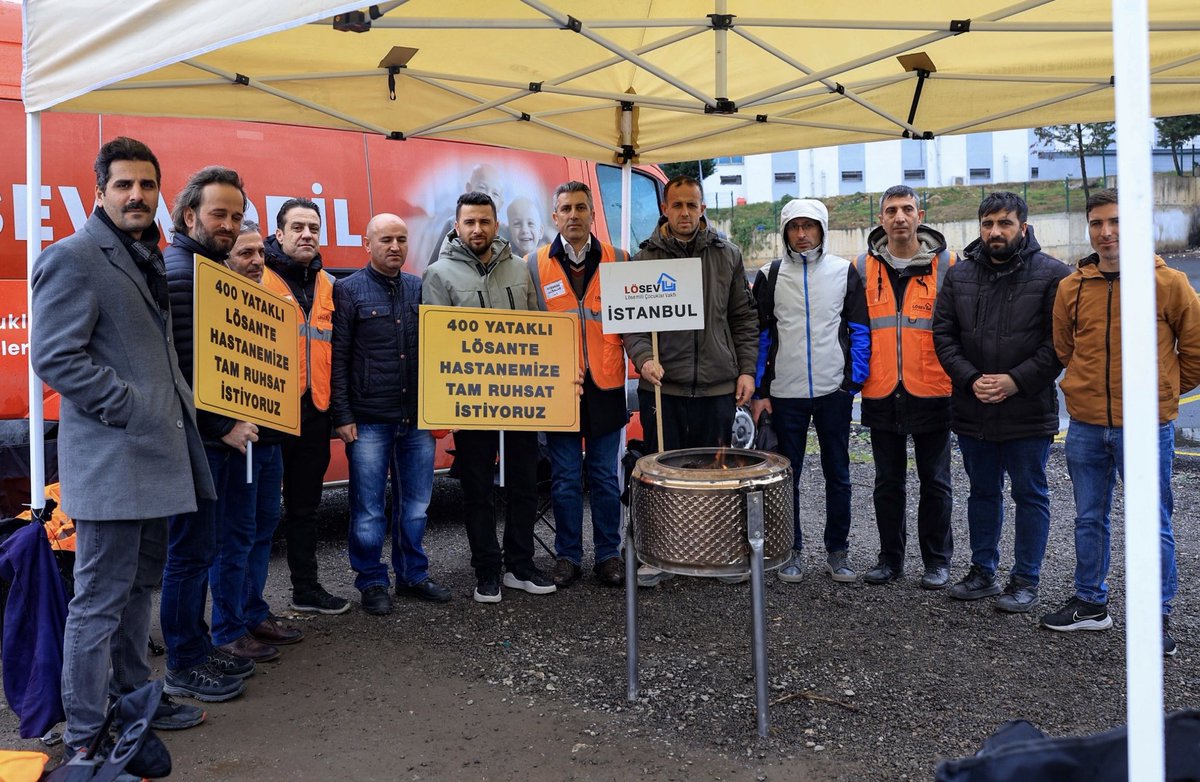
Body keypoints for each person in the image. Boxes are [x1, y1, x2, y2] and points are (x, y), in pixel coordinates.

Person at [31, 137, 216, 753]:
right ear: (99, 193)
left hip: (155, 458)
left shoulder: (144, 255)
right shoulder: (75, 256)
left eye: (146, 185)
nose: (136, 195)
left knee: (139, 591)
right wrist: (128, 406)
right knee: (98, 602)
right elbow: (55, 356)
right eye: (123, 185)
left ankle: (135, 699)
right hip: (115, 460)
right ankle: (86, 732)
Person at [1040, 188, 1200, 656]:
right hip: (1087, 425)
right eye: (1096, 223)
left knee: (1153, 523)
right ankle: (1091, 603)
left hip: (1146, 427)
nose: (1106, 232)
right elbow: (1065, 347)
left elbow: (1193, 352)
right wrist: (1086, 388)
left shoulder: (1167, 283)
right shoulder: (1071, 287)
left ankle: (1156, 616)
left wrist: (1163, 393)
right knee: (1089, 519)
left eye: (1115, 221)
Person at [933, 192, 1069, 613]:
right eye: (988, 223)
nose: (995, 231)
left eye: (1005, 223)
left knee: (1030, 494)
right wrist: (972, 380)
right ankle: (983, 572)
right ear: (979, 227)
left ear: (1023, 228)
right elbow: (943, 335)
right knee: (982, 493)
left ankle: (1026, 579)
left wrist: (1014, 381)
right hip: (974, 410)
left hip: (1027, 409)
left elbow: (1058, 345)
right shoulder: (959, 276)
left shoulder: (1053, 275)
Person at [622, 175, 759, 587]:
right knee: (661, 473)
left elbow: (743, 318)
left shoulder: (728, 255)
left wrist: (747, 369)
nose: (685, 212)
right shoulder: (642, 259)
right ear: (664, 208)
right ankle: (661, 552)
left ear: (703, 208)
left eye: (692, 205)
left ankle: (717, 551)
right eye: (677, 205)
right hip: (663, 388)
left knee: (714, 473)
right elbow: (632, 325)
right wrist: (644, 359)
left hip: (717, 385)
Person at [422, 192, 556, 603]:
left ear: (496, 225)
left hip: (518, 398)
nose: (477, 229)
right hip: (470, 402)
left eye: (484, 221)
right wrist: (448, 406)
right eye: (469, 222)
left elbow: (538, 330)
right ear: (457, 226)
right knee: (477, 489)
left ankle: (520, 564)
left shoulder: (520, 268)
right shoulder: (438, 275)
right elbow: (438, 346)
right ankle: (487, 570)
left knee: (524, 483)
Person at [161, 166, 262, 703]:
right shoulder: (182, 273)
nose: (228, 224)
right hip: (199, 442)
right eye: (218, 214)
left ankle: (196, 647)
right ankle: (183, 661)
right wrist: (222, 424)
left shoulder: (208, 270)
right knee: (189, 555)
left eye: (236, 215)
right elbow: (179, 371)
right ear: (188, 215)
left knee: (202, 549)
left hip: (214, 442)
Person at [332, 213, 451, 615]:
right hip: (368, 419)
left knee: (416, 505)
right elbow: (338, 357)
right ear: (368, 244)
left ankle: (413, 575)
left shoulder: (421, 288)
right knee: (368, 509)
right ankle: (371, 581)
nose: (395, 247)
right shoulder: (347, 291)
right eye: (385, 240)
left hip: (416, 417)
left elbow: (441, 350)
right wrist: (343, 414)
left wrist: (441, 406)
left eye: (401, 239)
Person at [751, 198, 869, 585]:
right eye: (795, 226)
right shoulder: (770, 274)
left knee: (839, 473)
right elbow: (762, 335)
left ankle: (838, 551)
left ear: (822, 229)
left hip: (833, 390)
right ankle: (791, 549)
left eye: (810, 226)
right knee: (788, 475)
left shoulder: (843, 271)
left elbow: (859, 329)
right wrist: (761, 389)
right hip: (786, 393)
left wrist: (853, 382)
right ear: (785, 231)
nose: (802, 234)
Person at [526, 181, 628, 588]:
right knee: (566, 479)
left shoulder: (620, 260)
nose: (573, 215)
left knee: (604, 477)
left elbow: (635, 325)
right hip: (560, 389)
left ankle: (608, 555)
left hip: (606, 385)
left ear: (591, 214)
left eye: (580, 207)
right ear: (555, 217)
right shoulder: (534, 265)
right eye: (565, 208)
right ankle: (568, 556)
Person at [855, 185, 955, 590]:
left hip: (932, 387)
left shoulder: (947, 264)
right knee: (887, 482)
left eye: (907, 209)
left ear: (920, 214)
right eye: (891, 210)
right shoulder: (862, 267)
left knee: (936, 482)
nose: (899, 217)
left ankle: (936, 561)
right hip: (881, 389)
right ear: (881, 218)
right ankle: (889, 559)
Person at [263, 198, 350, 614]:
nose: (306, 235)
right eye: (297, 227)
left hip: (313, 413)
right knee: (258, 516)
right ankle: (248, 606)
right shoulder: (254, 276)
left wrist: (337, 412)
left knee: (305, 509)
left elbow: (336, 353)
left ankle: (306, 590)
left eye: (313, 228)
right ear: (278, 234)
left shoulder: (329, 285)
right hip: (265, 413)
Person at [222, 221, 305, 647]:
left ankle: (253, 612)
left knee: (261, 529)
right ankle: (228, 626)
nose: (257, 261)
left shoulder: (271, 297)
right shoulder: (215, 303)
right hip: (236, 442)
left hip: (269, 438)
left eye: (260, 253)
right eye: (245, 254)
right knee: (233, 538)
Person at [427, 163, 509, 266]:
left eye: (495, 193)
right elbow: (435, 267)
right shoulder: (452, 224)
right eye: (482, 187)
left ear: (501, 203)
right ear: (468, 189)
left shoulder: (506, 233)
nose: (488, 196)